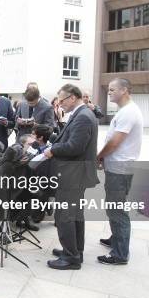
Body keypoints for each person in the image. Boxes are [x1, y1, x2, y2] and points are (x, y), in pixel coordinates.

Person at [43, 84, 99, 270]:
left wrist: (53, 150)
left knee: (65, 215)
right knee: (75, 215)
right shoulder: (81, 114)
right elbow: (70, 138)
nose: (59, 104)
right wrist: (51, 139)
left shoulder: (83, 116)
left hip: (73, 175)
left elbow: (75, 146)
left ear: (72, 98)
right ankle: (75, 251)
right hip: (76, 174)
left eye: (62, 100)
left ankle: (70, 257)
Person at [96, 78, 143, 265]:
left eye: (112, 89)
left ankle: (120, 254)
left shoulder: (129, 112)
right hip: (119, 167)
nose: (109, 92)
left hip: (120, 168)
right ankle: (116, 239)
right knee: (115, 207)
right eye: (108, 90)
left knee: (116, 210)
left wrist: (99, 157)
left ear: (124, 90)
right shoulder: (126, 111)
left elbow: (115, 142)